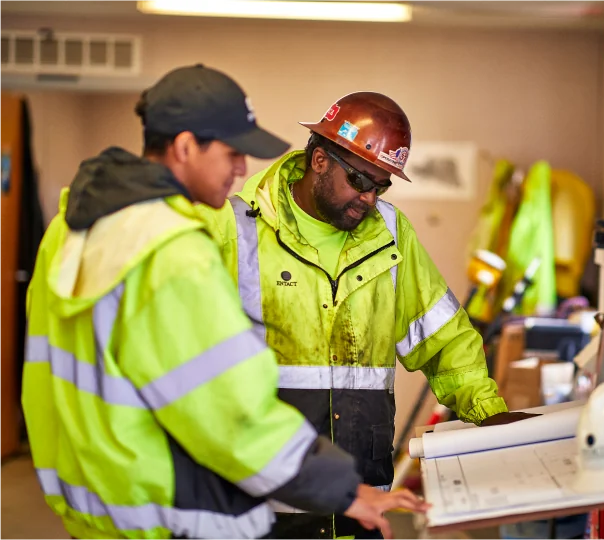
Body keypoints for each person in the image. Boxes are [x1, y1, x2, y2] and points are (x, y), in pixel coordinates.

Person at [21, 67, 426, 540]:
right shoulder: (171, 248)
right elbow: (227, 409)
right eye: (233, 153)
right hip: (165, 513)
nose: (241, 170)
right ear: (186, 146)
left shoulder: (72, 229)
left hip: (95, 506)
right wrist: (347, 491)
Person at [206, 91, 536, 540]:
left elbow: (445, 340)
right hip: (265, 502)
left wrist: (488, 412)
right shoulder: (237, 230)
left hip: (363, 497)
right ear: (319, 160)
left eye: (382, 186)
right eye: (360, 180)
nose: (369, 198)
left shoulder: (390, 233)